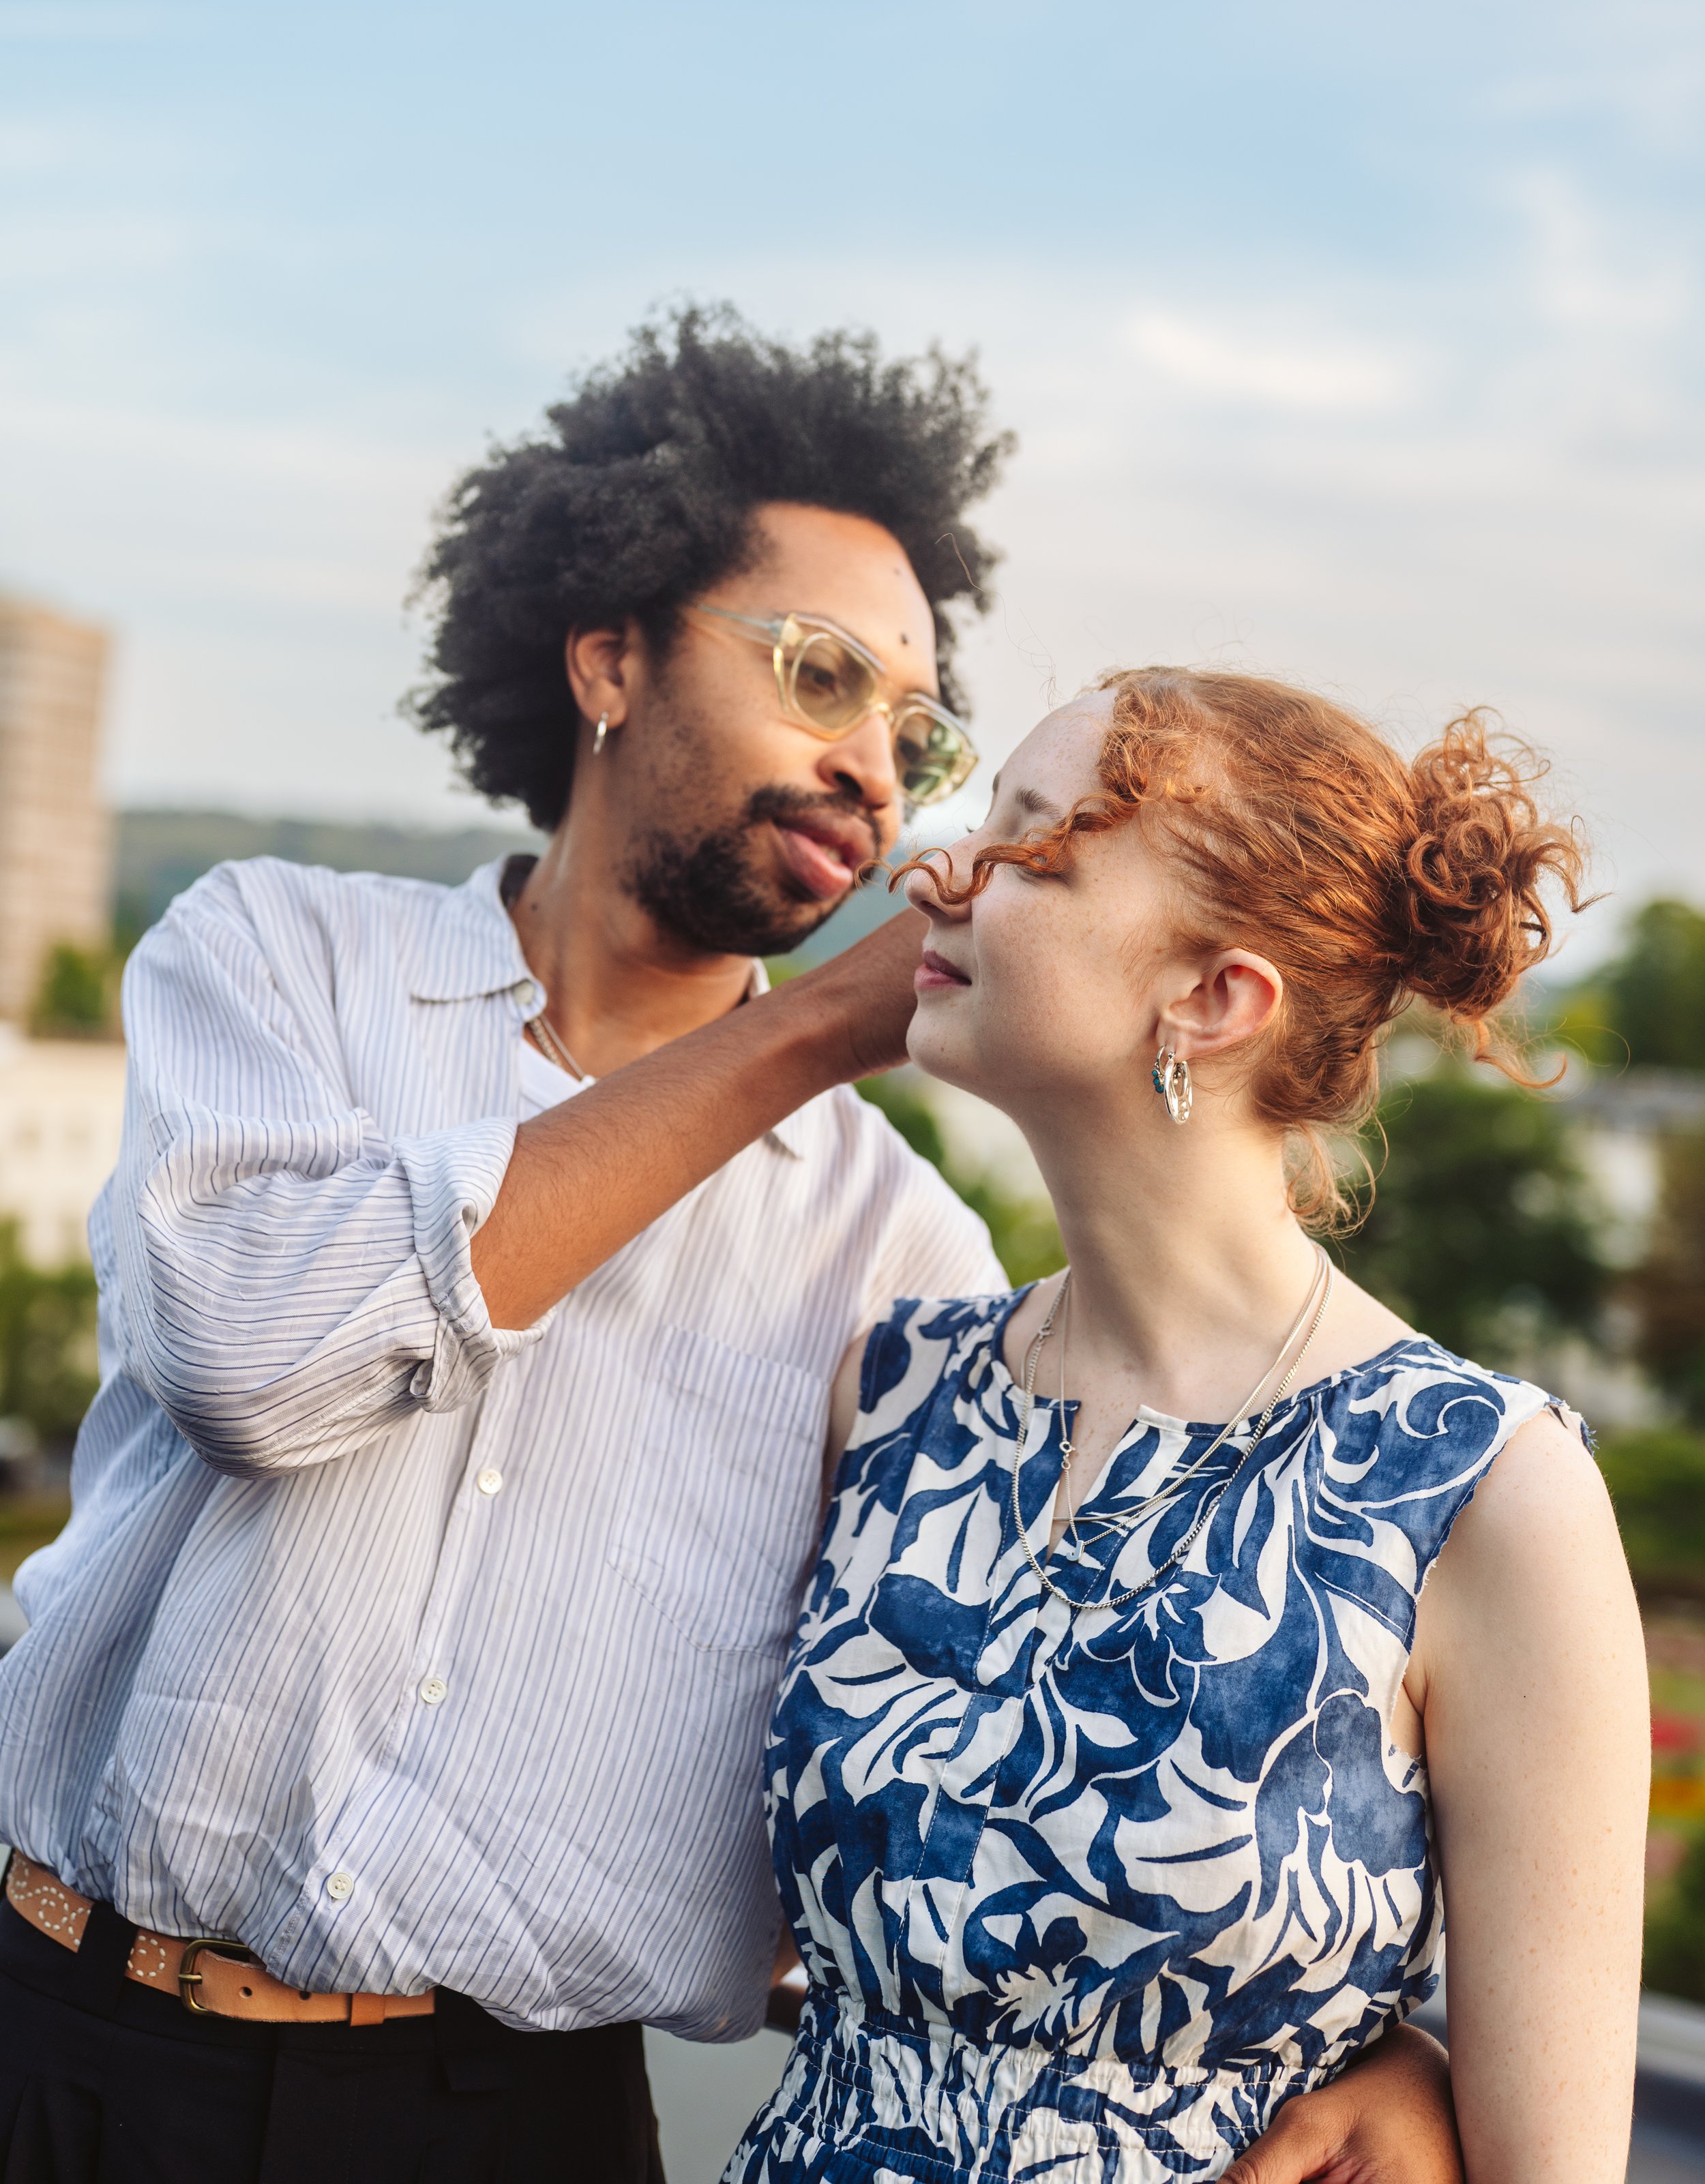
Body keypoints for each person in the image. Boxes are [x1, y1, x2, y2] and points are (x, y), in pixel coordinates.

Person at [0, 311, 1456, 2184]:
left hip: (506, 2124)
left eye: (910, 727)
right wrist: (796, 1032)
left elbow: (1021, 1764)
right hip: (56, 2040)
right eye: (819, 672)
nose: (877, 765)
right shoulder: (278, 954)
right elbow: (254, 1369)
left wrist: (1394, 2046)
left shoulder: (907, 1260)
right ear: (607, 656)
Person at [730, 669, 1649, 2184]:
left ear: (1212, 998)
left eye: (1033, 844)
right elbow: (761, 1942)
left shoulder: (1480, 1491)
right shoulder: (885, 1393)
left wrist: (1396, 2074)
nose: (930, 873)